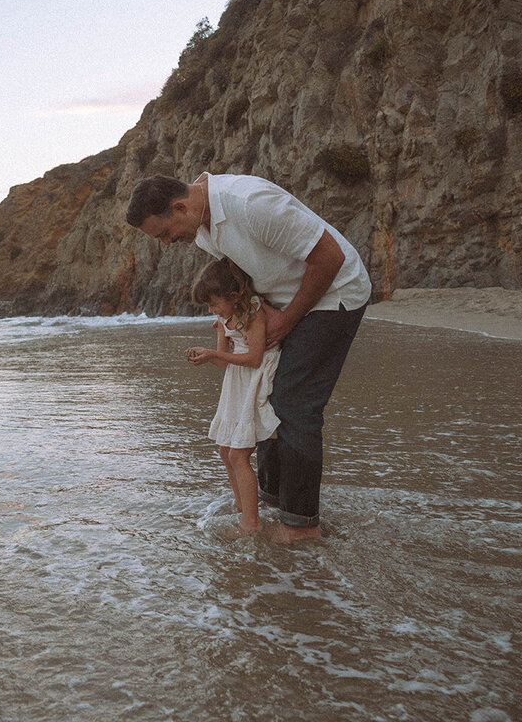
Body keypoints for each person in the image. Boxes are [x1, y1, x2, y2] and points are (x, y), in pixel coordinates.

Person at [126, 172, 370, 542]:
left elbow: (330, 257)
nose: (166, 243)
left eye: (163, 233)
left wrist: (286, 320)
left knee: (294, 403)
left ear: (179, 207)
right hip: (286, 300)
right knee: (265, 397)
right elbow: (241, 269)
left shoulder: (250, 204)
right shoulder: (202, 223)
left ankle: (301, 526)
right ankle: (274, 500)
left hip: (335, 294)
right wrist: (249, 313)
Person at [186, 257, 281, 536]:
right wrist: (207, 356)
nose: (212, 309)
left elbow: (253, 358)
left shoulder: (253, 311)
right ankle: (243, 506)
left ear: (234, 295)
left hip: (257, 374)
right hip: (237, 379)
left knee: (239, 454)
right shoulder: (222, 317)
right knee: (225, 451)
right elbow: (225, 363)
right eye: (209, 305)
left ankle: (250, 525)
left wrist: (216, 353)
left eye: (214, 303)